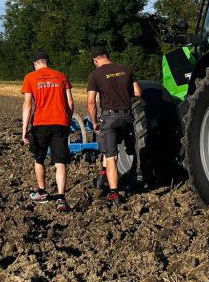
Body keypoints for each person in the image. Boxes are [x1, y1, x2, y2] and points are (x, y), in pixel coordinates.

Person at [86, 45, 142, 206]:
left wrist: (95, 122)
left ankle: (113, 193)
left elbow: (91, 101)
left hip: (109, 118)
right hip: (127, 117)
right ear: (107, 55)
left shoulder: (95, 74)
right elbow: (137, 92)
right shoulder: (126, 69)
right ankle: (103, 173)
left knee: (110, 155)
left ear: (95, 60)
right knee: (114, 146)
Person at [21, 51, 74, 212]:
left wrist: (24, 129)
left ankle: (42, 192)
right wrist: (67, 120)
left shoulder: (30, 77)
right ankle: (61, 198)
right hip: (60, 123)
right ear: (47, 62)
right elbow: (70, 101)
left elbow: (28, 105)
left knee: (39, 158)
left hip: (40, 124)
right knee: (60, 162)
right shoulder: (61, 76)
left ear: (35, 64)